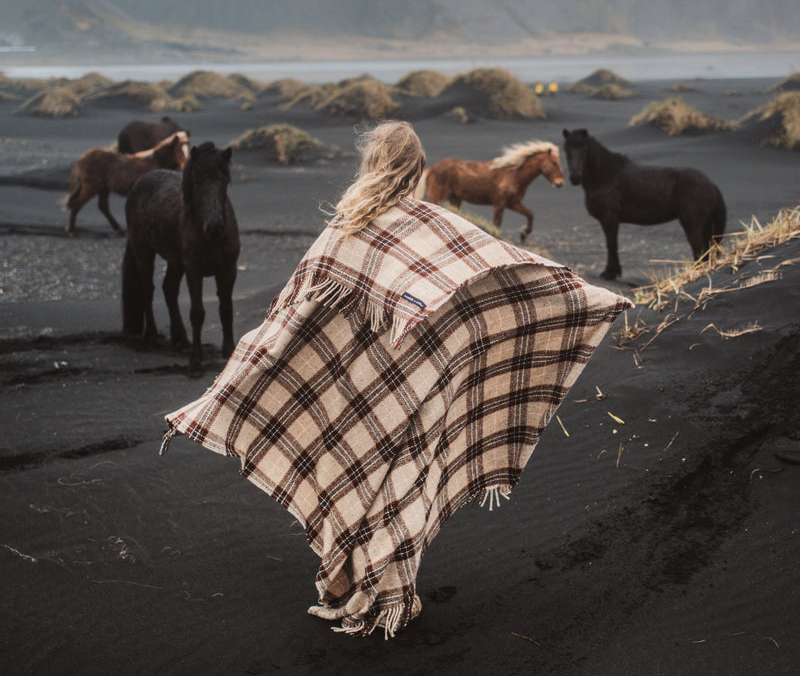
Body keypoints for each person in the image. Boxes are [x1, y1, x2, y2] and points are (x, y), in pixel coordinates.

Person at [161, 120, 632, 638]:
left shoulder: (343, 228)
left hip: (353, 390)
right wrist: (590, 298)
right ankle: (382, 589)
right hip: (410, 390)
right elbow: (505, 272)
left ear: (371, 162)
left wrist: (250, 366)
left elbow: (292, 313)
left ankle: (349, 582)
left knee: (351, 470)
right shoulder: (434, 227)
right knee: (397, 479)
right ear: (416, 167)